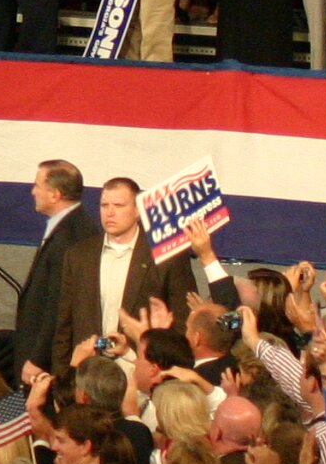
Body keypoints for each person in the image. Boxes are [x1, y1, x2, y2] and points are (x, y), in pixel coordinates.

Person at [48, 176, 199, 368]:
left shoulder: (167, 257)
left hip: (142, 369)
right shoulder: (78, 255)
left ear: (137, 211)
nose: (109, 212)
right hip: (88, 370)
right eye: (104, 205)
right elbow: (64, 324)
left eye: (118, 205)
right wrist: (62, 377)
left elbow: (183, 322)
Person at [14, 160, 92, 380]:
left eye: (37, 186)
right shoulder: (72, 225)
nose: (33, 191)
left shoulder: (69, 237)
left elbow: (58, 303)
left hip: (48, 363)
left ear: (55, 195)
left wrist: (38, 359)